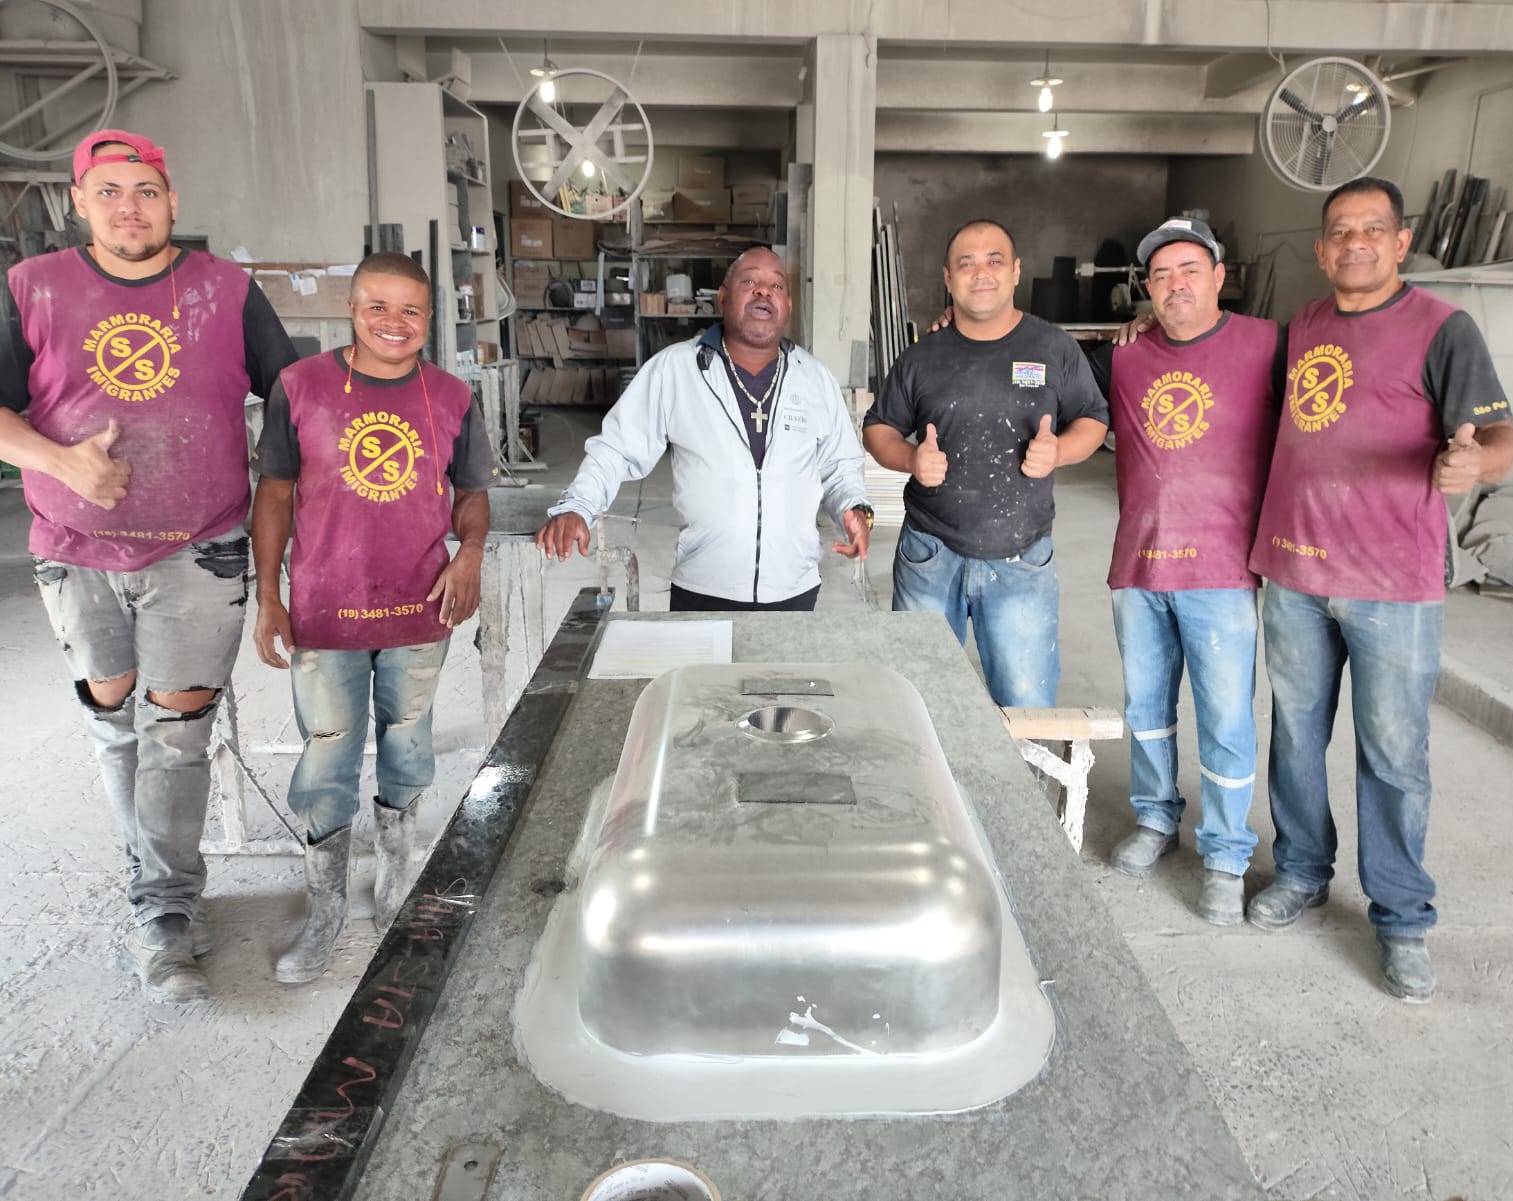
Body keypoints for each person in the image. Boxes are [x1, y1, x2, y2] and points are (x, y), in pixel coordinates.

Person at [0, 130, 297, 1003]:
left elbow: (294, 397)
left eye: (146, 191)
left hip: (198, 547)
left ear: (172, 200)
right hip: (73, 548)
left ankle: (163, 912)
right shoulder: (30, 286)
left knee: (177, 730)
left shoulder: (226, 290)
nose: (129, 207)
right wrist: (61, 462)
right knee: (113, 721)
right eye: (109, 191)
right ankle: (156, 885)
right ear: (79, 202)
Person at [1245, 177, 1513, 1002]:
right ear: (1321, 246)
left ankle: (1401, 916)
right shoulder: (1302, 325)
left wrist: (1477, 463)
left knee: (1394, 753)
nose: (1355, 242)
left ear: (1401, 242)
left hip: (1392, 585)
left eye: (1372, 229)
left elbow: (1504, 436)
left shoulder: (1443, 328)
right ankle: (1302, 869)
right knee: (1296, 737)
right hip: (1295, 571)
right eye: (1339, 230)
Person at [251, 252, 493, 984]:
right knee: (327, 754)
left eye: (410, 310)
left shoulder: (451, 395)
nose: (394, 322)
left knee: (408, 744)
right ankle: (324, 907)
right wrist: (270, 596)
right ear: (352, 309)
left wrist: (469, 553)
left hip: (420, 608)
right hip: (326, 609)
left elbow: (471, 493)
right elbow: (275, 493)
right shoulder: (301, 386)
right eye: (378, 307)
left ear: (430, 318)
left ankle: (395, 880)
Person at [1088, 217, 1283, 925]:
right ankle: (1155, 818)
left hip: (1223, 570)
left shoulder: (1268, 344)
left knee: (1226, 718)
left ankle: (1226, 855)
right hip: (1138, 565)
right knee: (1146, 709)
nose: (1175, 285)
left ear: (1219, 277)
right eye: (1161, 274)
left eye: (1189, 270)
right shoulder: (1124, 356)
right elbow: (1051, 388)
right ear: (1147, 287)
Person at [536, 247, 871, 609]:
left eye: (776, 285)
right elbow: (616, 450)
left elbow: (840, 464)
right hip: (703, 588)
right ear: (723, 298)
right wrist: (577, 506)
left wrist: (854, 510)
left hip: (795, 589)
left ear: (787, 306)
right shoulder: (675, 370)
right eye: (749, 281)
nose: (763, 290)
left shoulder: (814, 378)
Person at [863, 219, 1107, 708]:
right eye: (966, 263)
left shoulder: (1054, 348)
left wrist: (1059, 451)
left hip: (1022, 555)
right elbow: (878, 428)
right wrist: (911, 458)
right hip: (930, 553)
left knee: (1025, 706)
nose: (981, 273)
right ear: (948, 278)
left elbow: (1093, 418)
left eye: (994, 260)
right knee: (920, 700)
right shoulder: (921, 357)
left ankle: (1020, 766)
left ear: (1015, 271)